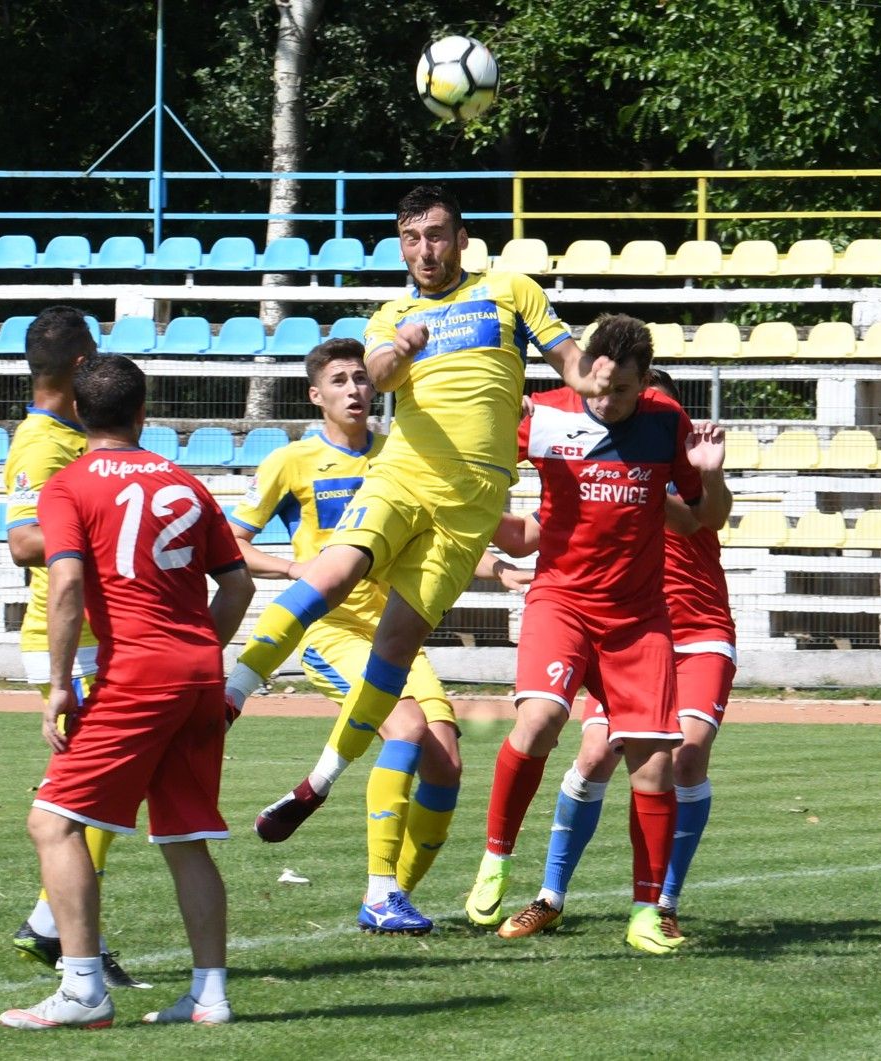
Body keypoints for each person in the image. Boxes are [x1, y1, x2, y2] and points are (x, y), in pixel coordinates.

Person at [223, 183, 613, 842]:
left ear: (461, 239)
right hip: (403, 474)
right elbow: (377, 365)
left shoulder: (511, 290)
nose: (424, 249)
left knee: (398, 644)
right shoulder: (392, 313)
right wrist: (398, 348)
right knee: (334, 570)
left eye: (435, 234)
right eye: (411, 238)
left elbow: (568, 359)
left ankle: (318, 780)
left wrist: (594, 380)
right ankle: (225, 700)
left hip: (473, 503)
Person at [228, 336, 530, 934]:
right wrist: (297, 570)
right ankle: (379, 889)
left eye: (362, 379)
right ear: (316, 395)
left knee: (446, 763)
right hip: (334, 630)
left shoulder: (400, 456)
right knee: (407, 728)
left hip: (395, 628)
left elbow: (446, 541)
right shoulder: (290, 463)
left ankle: (397, 893)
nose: (355, 390)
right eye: (339, 381)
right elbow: (233, 542)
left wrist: (502, 568)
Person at [0, 355, 255, 1031]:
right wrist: (202, 647)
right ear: (144, 413)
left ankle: (83, 988)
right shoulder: (186, 481)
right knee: (185, 835)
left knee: (52, 821)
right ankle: (210, 994)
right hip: (200, 673)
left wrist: (57, 684)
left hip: (135, 674)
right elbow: (238, 585)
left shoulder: (68, 484)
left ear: (79, 414)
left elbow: (69, 585)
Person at [464, 316, 730, 955]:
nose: (604, 402)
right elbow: (497, 477)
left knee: (657, 764)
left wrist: (711, 471)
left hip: (639, 621)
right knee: (538, 723)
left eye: (621, 391)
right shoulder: (548, 412)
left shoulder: (667, 423)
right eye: (596, 387)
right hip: (561, 600)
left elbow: (703, 520)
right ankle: (498, 858)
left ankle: (647, 912)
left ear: (645, 387)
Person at [0, 305, 146, 989]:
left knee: (110, 792)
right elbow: (23, 541)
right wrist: (101, 533)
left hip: (91, 640)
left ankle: (51, 924)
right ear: (82, 364)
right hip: (67, 646)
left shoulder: (68, 434)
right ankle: (61, 934)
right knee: (92, 797)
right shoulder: (42, 444)